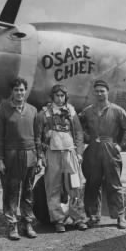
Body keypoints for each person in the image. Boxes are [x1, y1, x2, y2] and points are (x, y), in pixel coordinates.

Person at [80, 80, 126, 229]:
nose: (99, 93)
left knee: (114, 184)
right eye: (96, 91)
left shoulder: (117, 110)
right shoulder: (87, 111)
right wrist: (87, 138)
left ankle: (120, 216)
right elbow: (77, 127)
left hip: (110, 150)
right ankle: (92, 216)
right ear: (93, 93)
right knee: (92, 184)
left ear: (107, 92)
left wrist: (120, 146)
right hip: (93, 151)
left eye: (102, 91)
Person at [36, 84, 88, 233]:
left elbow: (78, 133)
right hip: (52, 153)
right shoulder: (44, 113)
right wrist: (41, 156)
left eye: (62, 95)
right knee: (53, 187)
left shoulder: (71, 111)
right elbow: (38, 137)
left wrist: (79, 153)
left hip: (69, 152)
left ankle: (79, 218)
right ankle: (58, 220)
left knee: (75, 185)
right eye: (57, 96)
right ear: (52, 97)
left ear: (66, 96)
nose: (60, 98)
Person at [0, 77, 38, 240]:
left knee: (28, 192)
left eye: (22, 90)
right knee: (11, 192)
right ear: (12, 92)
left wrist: (38, 157)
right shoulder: (3, 109)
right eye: (16, 90)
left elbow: (37, 136)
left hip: (30, 155)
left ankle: (27, 223)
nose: (20, 93)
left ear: (26, 91)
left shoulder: (33, 110)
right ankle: (12, 226)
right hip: (10, 155)